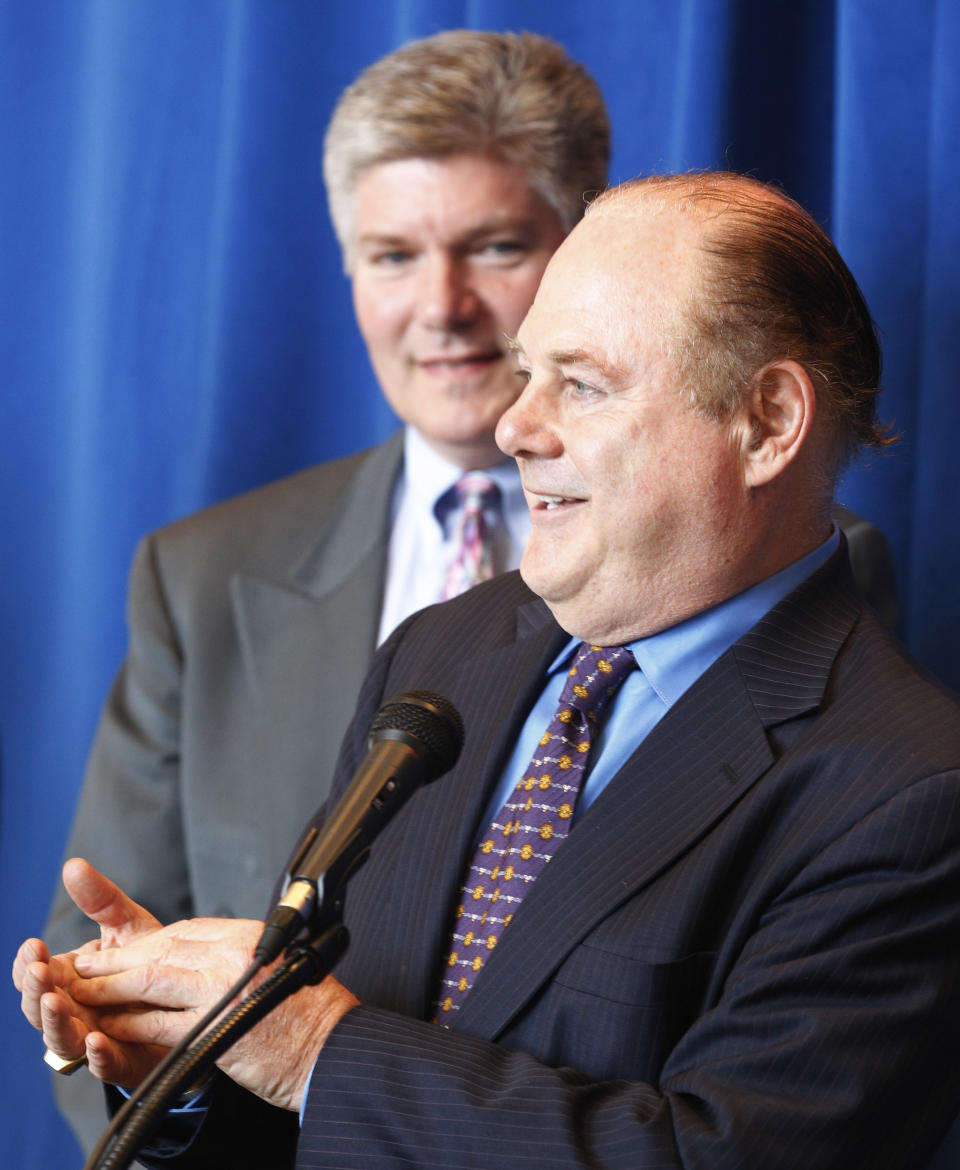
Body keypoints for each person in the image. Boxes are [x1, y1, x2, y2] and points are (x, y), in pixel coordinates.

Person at [18, 171, 960, 1169]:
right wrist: (190, 1065)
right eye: (526, 371)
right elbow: (328, 1113)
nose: (514, 425)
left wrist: (304, 1049)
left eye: (581, 384)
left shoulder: (912, 797)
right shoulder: (445, 652)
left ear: (767, 423)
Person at [41, 29, 610, 1152]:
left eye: (494, 247)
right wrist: (143, 1050)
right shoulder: (202, 576)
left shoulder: (762, 564)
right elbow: (104, 957)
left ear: (586, 257)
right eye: (392, 256)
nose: (441, 307)